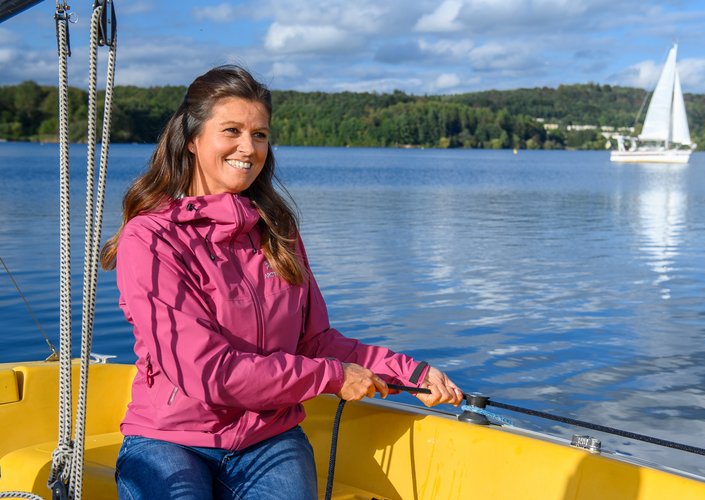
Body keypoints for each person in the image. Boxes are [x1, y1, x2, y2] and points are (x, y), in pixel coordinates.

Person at [100, 65, 462, 499]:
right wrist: (332, 377)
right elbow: (209, 373)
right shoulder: (152, 238)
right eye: (231, 130)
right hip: (170, 439)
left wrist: (409, 372)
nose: (247, 148)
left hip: (267, 438)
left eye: (260, 135)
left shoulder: (277, 229)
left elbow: (313, 342)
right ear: (193, 140)